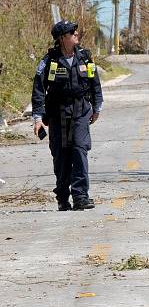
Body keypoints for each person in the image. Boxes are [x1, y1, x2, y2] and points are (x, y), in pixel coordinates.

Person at [32, 20, 103, 211]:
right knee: (61, 156)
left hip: (80, 111)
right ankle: (63, 197)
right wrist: (38, 118)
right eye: (72, 33)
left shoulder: (85, 57)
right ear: (62, 38)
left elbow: (95, 83)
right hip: (57, 114)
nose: (76, 35)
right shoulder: (49, 61)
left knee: (80, 150)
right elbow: (38, 89)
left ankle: (81, 196)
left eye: (76, 32)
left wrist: (97, 107)